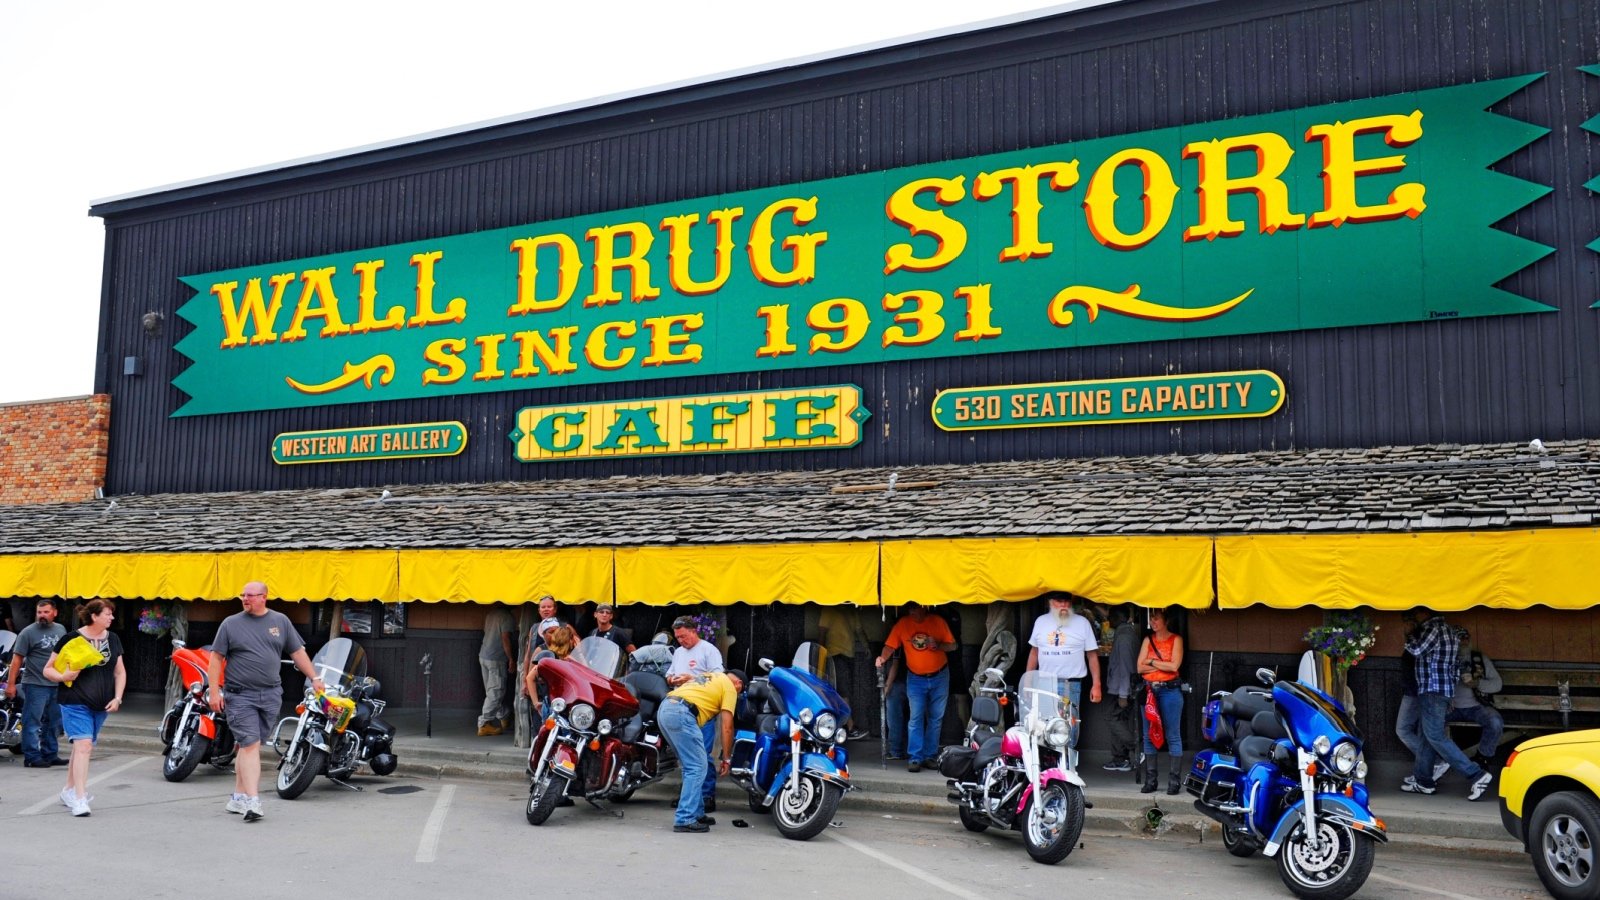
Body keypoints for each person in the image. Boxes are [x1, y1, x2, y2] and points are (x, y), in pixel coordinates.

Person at [206, 581, 325, 823]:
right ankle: (253, 800)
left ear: (264, 597)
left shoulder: (280, 621)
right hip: (239, 694)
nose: (245, 599)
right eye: (243, 595)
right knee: (250, 744)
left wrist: (314, 677)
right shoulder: (230, 624)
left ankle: (237, 796)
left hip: (270, 694)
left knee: (249, 745)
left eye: (251, 595)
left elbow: (297, 652)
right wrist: (214, 691)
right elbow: (215, 659)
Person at [42, 599, 126, 817]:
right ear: (94, 616)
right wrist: (63, 676)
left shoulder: (113, 639)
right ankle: (80, 799)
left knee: (82, 747)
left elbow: (120, 672)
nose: (112, 618)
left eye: (111, 614)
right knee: (84, 746)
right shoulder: (71, 639)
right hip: (74, 701)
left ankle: (68, 790)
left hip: (102, 704)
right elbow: (47, 669)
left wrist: (117, 698)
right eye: (107, 614)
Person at [1400, 607, 1495, 800]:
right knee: (1426, 735)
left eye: (1415, 614)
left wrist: (1408, 635)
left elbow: (1417, 650)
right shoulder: (1449, 630)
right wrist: (1449, 695)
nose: (1413, 618)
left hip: (1432, 690)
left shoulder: (1432, 629)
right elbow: (1453, 668)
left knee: (1435, 735)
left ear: (1424, 613)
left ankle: (1476, 774)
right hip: (1440, 691)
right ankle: (1423, 780)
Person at [658, 669, 745, 833]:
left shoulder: (711, 676)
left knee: (691, 766)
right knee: (698, 767)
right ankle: (685, 818)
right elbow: (727, 726)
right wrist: (726, 758)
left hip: (666, 708)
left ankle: (696, 812)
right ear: (739, 684)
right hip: (682, 713)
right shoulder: (730, 687)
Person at [874, 602, 957, 773]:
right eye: (910, 608)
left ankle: (930, 756)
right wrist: (882, 658)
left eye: (915, 607)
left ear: (924, 607)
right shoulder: (903, 624)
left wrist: (939, 645)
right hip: (915, 678)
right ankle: (915, 757)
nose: (912, 611)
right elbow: (890, 645)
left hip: (940, 675)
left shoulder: (937, 621)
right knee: (916, 717)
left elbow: (953, 645)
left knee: (935, 717)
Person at [1025, 592, 1103, 765]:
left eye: (1067, 602)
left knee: (1069, 726)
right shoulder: (1041, 622)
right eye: (1059, 601)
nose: (1064, 605)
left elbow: (1092, 655)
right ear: (1050, 602)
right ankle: (1047, 768)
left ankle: (1068, 769)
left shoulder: (1082, 623)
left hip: (1070, 685)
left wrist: (1096, 684)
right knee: (1043, 726)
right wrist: (1029, 679)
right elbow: (1034, 652)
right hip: (1044, 683)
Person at [668, 615, 726, 810]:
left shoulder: (709, 651)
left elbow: (718, 677)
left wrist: (690, 678)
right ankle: (690, 796)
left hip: (703, 709)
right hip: (681, 707)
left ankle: (707, 795)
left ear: (694, 631)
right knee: (686, 756)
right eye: (678, 638)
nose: (681, 641)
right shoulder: (678, 653)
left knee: (703, 754)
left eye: (684, 636)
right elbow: (670, 673)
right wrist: (672, 679)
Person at [5, 599, 67, 768]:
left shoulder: (61, 629)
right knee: (32, 722)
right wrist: (11, 685)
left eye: (46, 612)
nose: (42, 615)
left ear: (55, 612)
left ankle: (50, 754)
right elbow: (17, 660)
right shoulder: (28, 632)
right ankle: (32, 757)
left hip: (56, 683)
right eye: (39, 612)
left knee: (54, 723)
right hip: (35, 684)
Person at [1137, 606, 1186, 795]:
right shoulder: (1147, 639)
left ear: (1166, 621)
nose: (1152, 622)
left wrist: (1151, 662)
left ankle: (1174, 781)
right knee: (1148, 734)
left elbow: (1174, 666)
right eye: (1151, 619)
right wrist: (1161, 666)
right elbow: (1139, 668)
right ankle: (1151, 780)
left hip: (1170, 690)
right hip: (1149, 689)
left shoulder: (1176, 639)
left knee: (1173, 735)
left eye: (1156, 619)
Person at [1446, 627, 1504, 771]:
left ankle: (1482, 758)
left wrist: (1478, 683)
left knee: (1495, 722)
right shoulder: (1445, 659)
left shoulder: (1479, 659)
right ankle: (1441, 761)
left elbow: (1497, 684)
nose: (1464, 642)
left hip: (1477, 706)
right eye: (1460, 639)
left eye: (1466, 638)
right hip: (1450, 707)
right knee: (1430, 722)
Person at [817, 604, 870, 741]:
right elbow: (821, 633)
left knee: (844, 692)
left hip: (849, 655)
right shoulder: (828, 609)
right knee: (843, 691)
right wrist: (820, 657)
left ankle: (842, 726)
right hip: (835, 655)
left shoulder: (851, 611)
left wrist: (866, 646)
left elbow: (859, 630)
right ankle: (850, 727)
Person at [1101, 604, 1141, 773]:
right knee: (1120, 720)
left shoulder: (1124, 637)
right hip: (1121, 687)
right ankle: (1120, 758)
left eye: (1111, 617)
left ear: (1119, 618)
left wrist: (1123, 694)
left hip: (1121, 689)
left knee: (1112, 718)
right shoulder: (1126, 634)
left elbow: (1126, 667)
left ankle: (1137, 748)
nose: (1108, 620)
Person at [477, 602, 516, 736]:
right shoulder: (507, 617)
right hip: (496, 658)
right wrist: (511, 658)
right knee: (495, 691)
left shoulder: (491, 614)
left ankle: (504, 716)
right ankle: (484, 723)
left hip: (484, 654)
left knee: (491, 690)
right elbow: (505, 638)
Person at [881, 655, 909, 760]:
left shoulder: (896, 642)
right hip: (916, 680)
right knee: (914, 720)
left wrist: (887, 685)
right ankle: (912, 751)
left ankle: (895, 750)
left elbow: (895, 664)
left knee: (895, 719)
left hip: (897, 682)